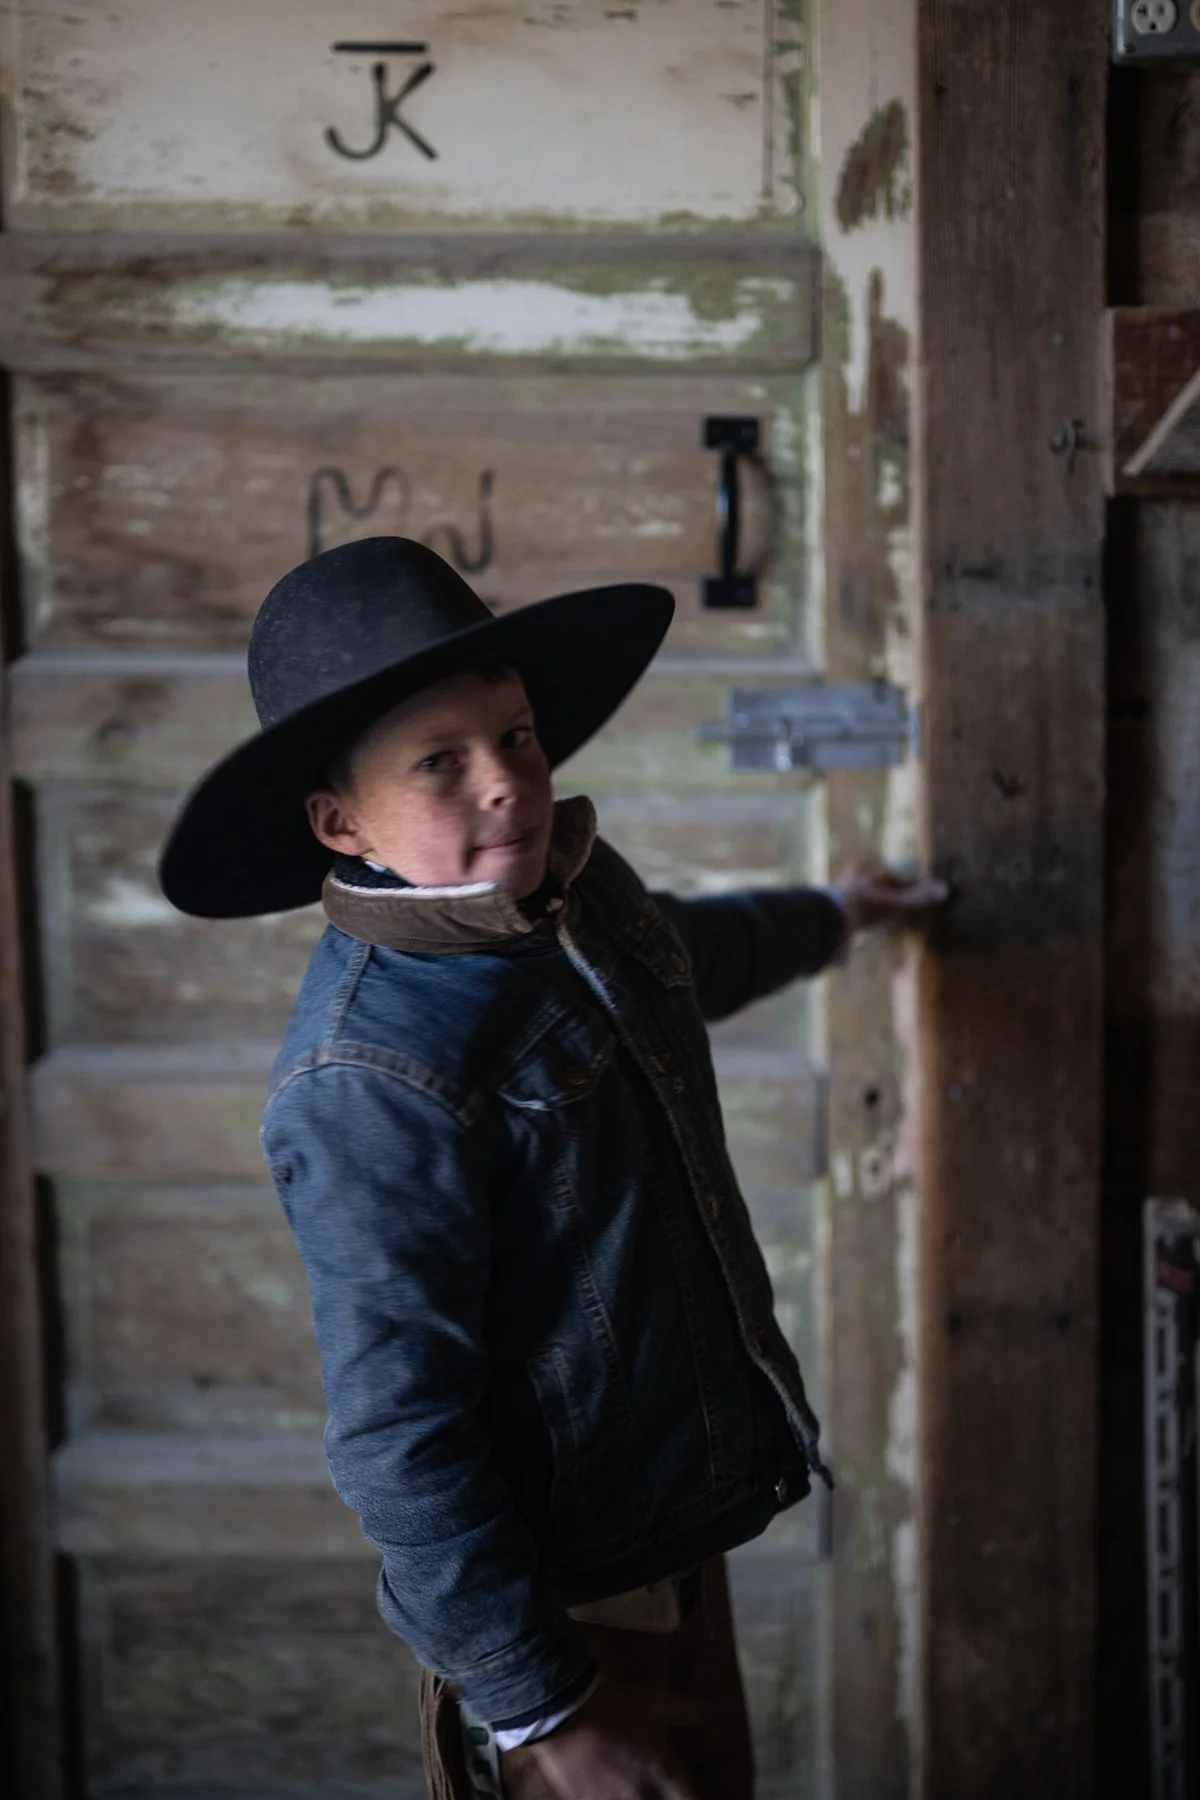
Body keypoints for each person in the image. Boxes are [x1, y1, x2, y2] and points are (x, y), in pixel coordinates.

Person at [159, 537, 945, 1800]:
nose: (507, 784)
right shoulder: (366, 1076)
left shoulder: (567, 903)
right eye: (440, 763)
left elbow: (685, 958)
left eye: (516, 736)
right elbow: (398, 1431)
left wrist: (837, 914)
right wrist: (543, 1711)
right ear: (338, 821)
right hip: (563, 1618)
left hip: (673, 1530)